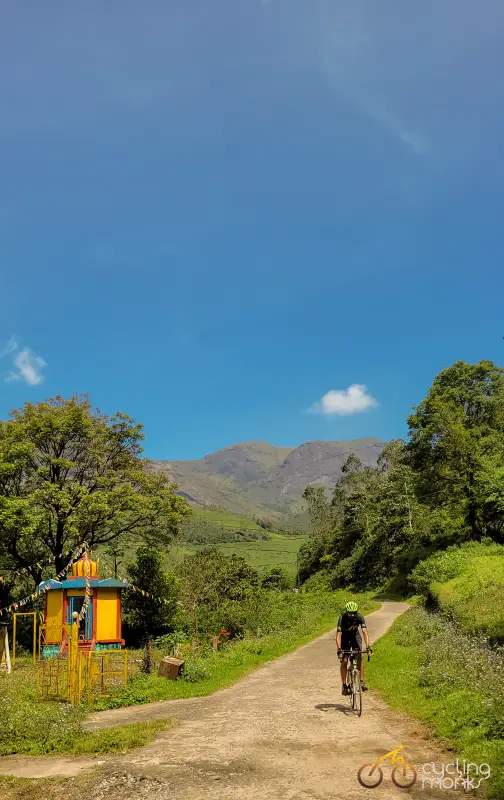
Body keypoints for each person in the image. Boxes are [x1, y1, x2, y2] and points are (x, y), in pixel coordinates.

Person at [336, 600, 371, 694]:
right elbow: (338, 635)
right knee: (344, 661)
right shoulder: (342, 618)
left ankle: (362, 682)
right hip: (344, 638)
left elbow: (364, 632)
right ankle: (344, 686)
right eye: (350, 613)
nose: (352, 615)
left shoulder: (360, 617)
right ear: (346, 611)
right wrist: (339, 649)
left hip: (355, 637)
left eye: (354, 613)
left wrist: (368, 647)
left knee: (359, 656)